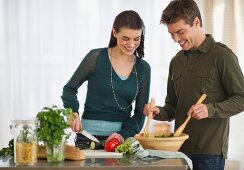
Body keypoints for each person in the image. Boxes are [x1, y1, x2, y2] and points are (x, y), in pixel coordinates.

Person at [143, 0, 244, 169]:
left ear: (196, 22)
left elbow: (242, 98)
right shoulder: (176, 61)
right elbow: (172, 107)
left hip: (209, 153)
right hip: (178, 150)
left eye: (180, 32)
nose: (176, 39)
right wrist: (158, 111)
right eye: (171, 34)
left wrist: (210, 109)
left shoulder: (222, 56)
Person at [61, 10, 151, 146]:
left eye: (136, 39)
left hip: (121, 141)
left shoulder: (143, 68)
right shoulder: (95, 57)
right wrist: (73, 113)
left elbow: (140, 114)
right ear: (114, 32)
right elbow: (69, 89)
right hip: (87, 137)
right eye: (125, 38)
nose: (131, 45)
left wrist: (123, 135)